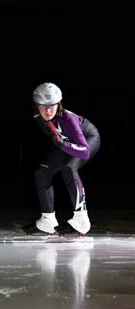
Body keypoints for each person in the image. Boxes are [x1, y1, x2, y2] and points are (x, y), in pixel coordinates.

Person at [24, 82, 101, 235]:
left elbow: (84, 151)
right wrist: (62, 143)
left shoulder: (68, 119)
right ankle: (48, 220)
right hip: (65, 143)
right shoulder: (37, 117)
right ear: (36, 106)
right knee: (42, 173)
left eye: (52, 106)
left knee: (68, 168)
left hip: (87, 139)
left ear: (58, 104)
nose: (47, 111)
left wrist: (62, 143)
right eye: (43, 106)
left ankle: (81, 220)